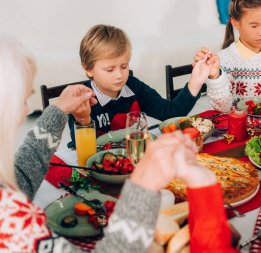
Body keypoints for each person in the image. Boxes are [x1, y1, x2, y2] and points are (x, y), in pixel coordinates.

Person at [0, 36, 235, 252]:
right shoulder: (11, 219)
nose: (28, 110)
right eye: (22, 99)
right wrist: (143, 188)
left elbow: (20, 176)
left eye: (123, 66)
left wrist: (58, 110)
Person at [67, 24, 211, 147]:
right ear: (88, 69)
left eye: (124, 67)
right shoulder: (82, 98)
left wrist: (196, 81)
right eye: (110, 70)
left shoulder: (133, 86)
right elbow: (81, 147)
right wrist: (83, 120)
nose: (119, 75)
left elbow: (170, 113)